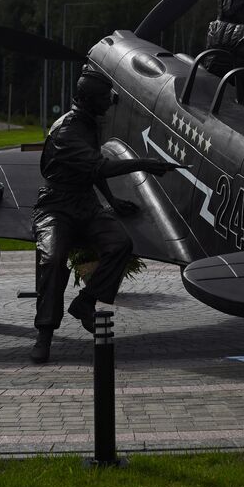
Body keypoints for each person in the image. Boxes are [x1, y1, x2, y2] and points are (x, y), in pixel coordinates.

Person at [30, 66, 179, 364]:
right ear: (88, 99)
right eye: (104, 97)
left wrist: (112, 200)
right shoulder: (67, 131)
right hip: (55, 207)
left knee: (120, 244)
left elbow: (92, 170)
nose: (110, 102)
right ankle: (44, 334)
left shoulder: (88, 124)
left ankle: (85, 303)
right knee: (53, 259)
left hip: (85, 204)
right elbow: (100, 166)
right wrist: (144, 164)